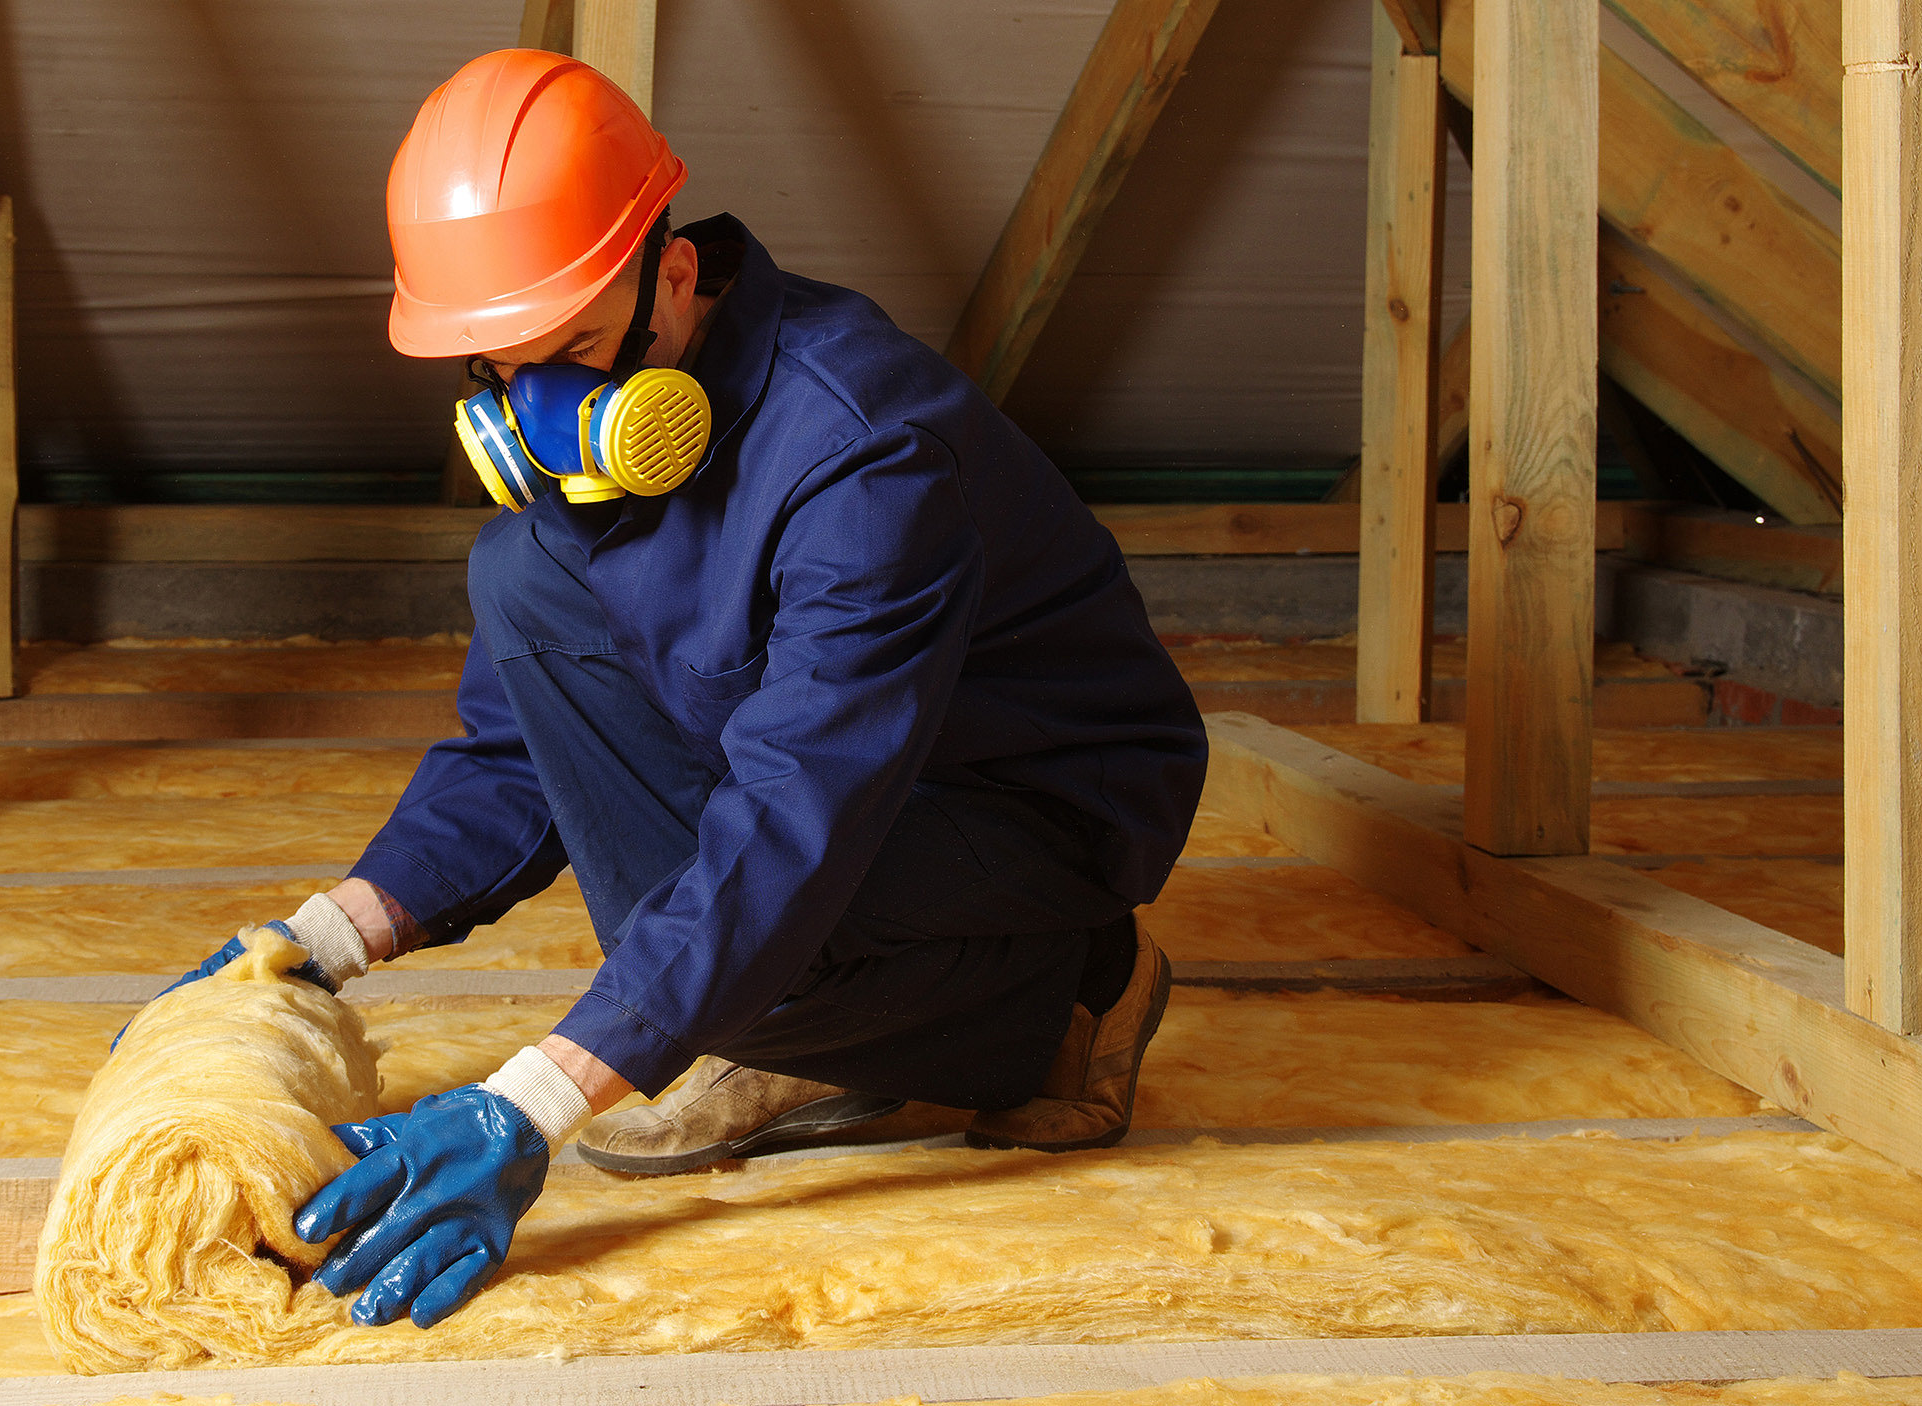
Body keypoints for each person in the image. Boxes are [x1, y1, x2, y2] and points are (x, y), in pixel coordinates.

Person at [142, 48, 1207, 1332]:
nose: (549, 404)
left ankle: (1076, 987)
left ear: (675, 273)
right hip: (836, 780)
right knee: (525, 574)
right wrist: (322, 940)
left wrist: (531, 1099)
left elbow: (796, 813)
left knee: (714, 939)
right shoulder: (578, 474)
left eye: (579, 346)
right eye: (500, 369)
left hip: (1021, 796)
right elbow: (520, 750)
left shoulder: (860, 453)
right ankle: (788, 1017)